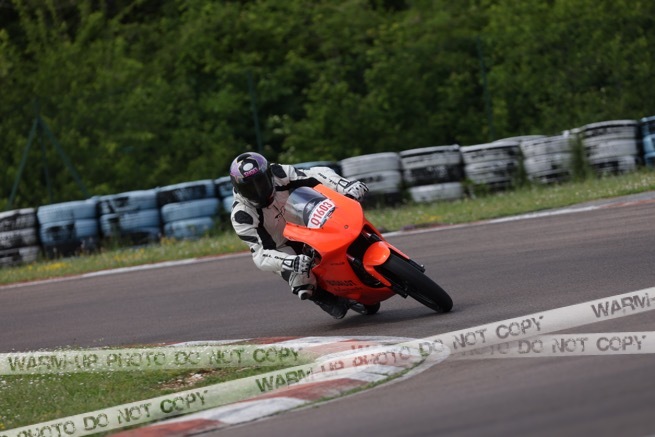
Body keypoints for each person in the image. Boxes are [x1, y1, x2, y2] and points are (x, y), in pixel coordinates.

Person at [229, 152, 369, 319]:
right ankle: (321, 297)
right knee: (301, 281)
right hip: (282, 245)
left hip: (305, 221)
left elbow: (317, 173)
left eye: (260, 182)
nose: (258, 190)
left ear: (269, 175)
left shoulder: (280, 173)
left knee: (344, 225)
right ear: (239, 189)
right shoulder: (242, 216)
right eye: (250, 188)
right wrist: (289, 261)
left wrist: (345, 185)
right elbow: (260, 254)